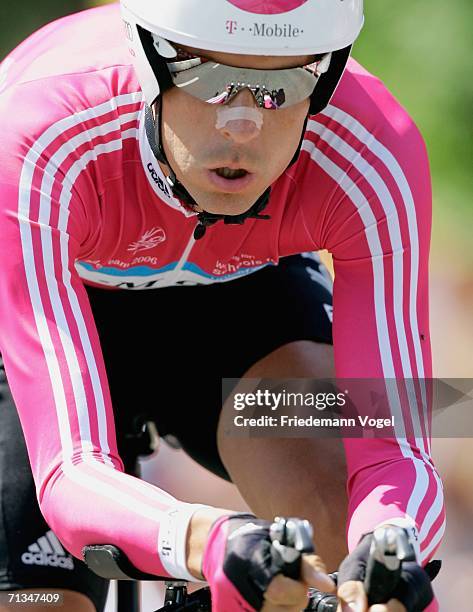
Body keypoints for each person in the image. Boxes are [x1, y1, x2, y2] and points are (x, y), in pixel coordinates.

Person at [0, 1, 444, 611]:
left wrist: (393, 545)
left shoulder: (372, 148)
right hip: (57, 304)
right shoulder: (39, 128)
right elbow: (68, 469)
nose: (242, 124)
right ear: (150, 59)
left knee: (348, 557)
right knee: (41, 604)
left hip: (240, 299)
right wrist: (210, 541)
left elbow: (395, 452)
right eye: (207, 78)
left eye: (283, 86)